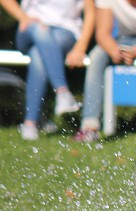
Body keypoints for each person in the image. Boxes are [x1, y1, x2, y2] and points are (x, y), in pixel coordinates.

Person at [74, 0, 136, 142]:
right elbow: (102, 34)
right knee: (96, 57)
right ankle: (89, 126)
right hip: (122, 40)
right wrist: (114, 50)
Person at [2, 0, 94, 140]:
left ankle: (30, 122)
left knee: (38, 53)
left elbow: (91, 13)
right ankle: (62, 91)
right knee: (40, 29)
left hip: (66, 31)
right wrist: (23, 17)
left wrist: (81, 47)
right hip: (30, 29)